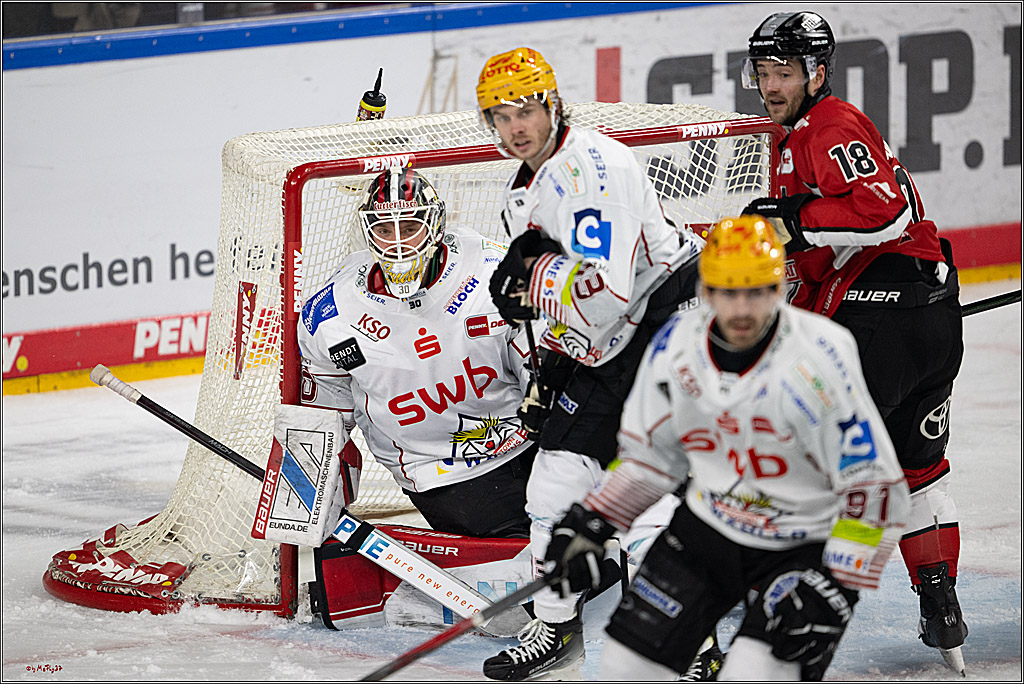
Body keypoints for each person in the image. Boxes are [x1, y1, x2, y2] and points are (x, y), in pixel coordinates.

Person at [544, 215, 912, 681]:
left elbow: (874, 487)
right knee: (626, 667)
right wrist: (592, 524)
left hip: (800, 543)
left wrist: (838, 586)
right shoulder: (676, 346)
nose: (742, 309)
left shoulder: (820, 357)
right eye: (728, 291)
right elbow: (653, 458)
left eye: (756, 291)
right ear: (707, 290)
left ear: (778, 287)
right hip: (707, 528)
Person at [738, 11, 969, 673]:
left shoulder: (827, 124)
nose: (772, 85)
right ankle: (941, 606)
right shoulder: (804, 134)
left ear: (816, 72)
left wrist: (791, 220)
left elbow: (887, 210)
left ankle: (800, 612)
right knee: (917, 468)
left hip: (881, 319)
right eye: (763, 72)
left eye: (784, 72)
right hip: (928, 316)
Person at [476, 47, 705, 681]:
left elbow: (604, 296)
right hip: (612, 347)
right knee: (552, 485)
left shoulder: (590, 169)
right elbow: (567, 308)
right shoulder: (523, 187)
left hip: (663, 324)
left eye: (526, 108)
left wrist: (538, 279)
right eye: (501, 115)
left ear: (551, 104)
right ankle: (554, 630)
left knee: (647, 491)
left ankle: (685, 643)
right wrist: (548, 369)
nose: (515, 125)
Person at [297, 165, 537, 540]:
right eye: (383, 229)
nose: (397, 243)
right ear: (368, 232)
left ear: (436, 225)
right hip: (441, 470)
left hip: (528, 442)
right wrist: (307, 500)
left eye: (409, 228)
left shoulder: (492, 273)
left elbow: (544, 370)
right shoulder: (330, 314)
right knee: (527, 553)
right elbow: (321, 423)